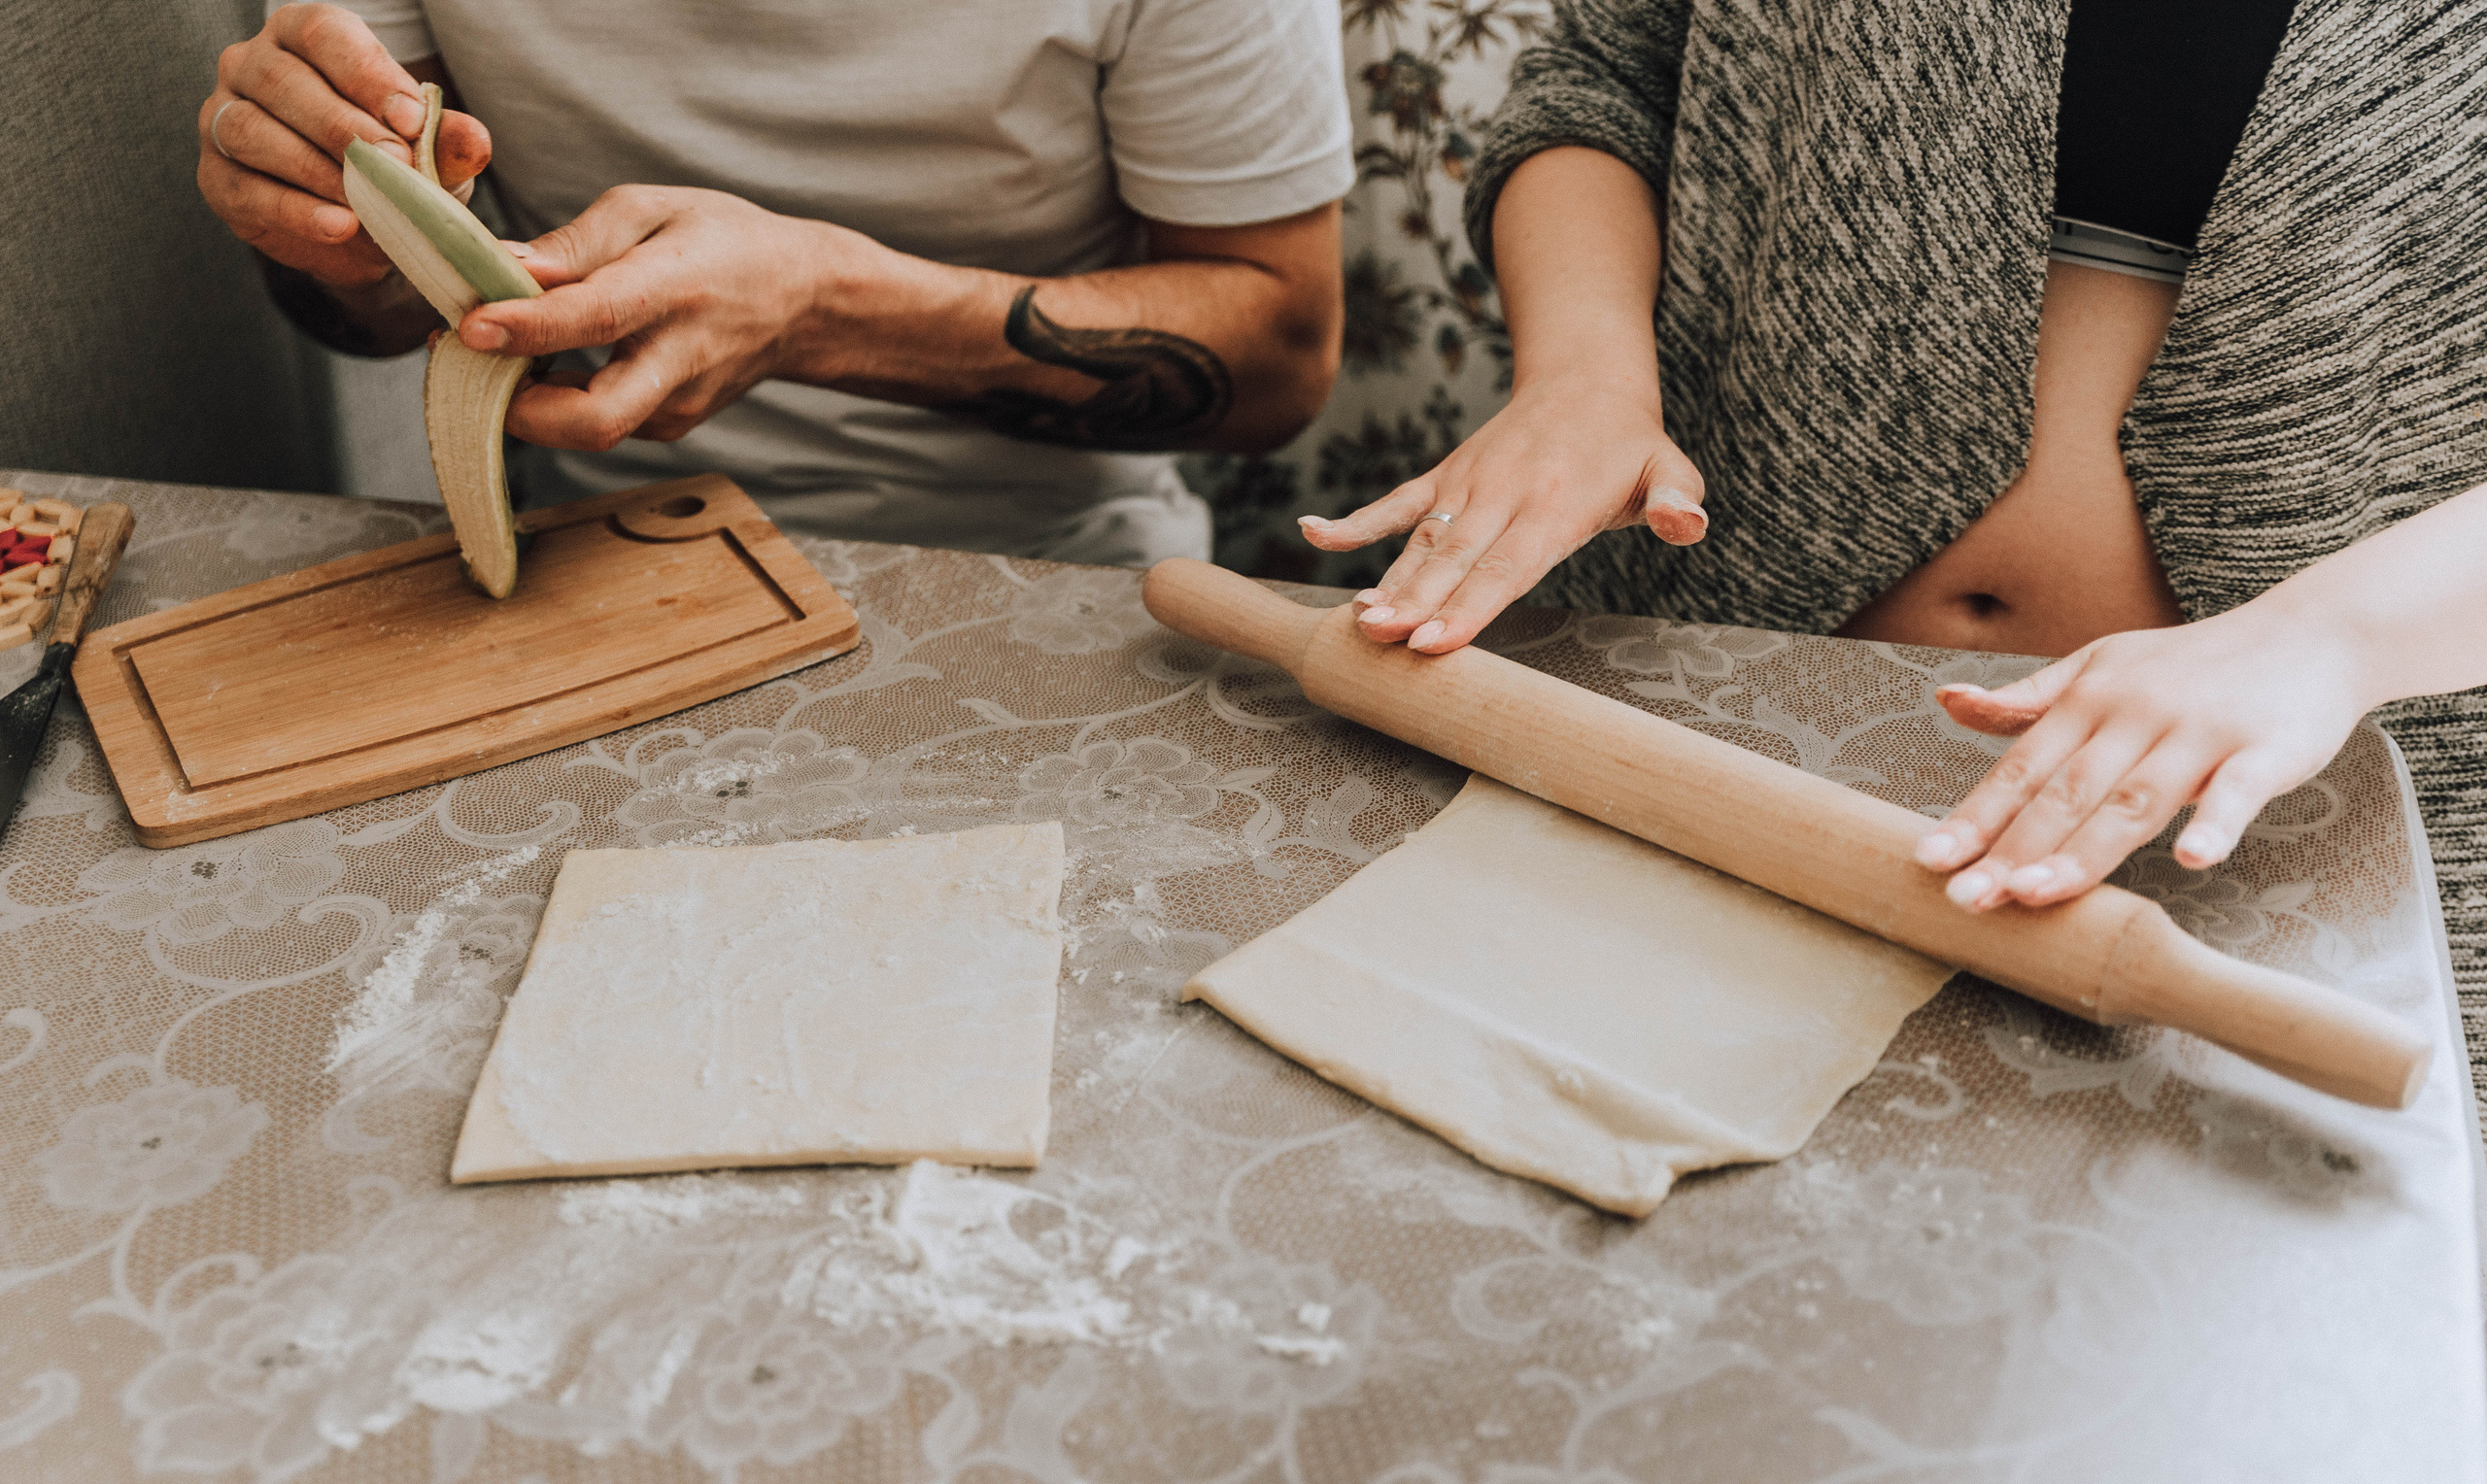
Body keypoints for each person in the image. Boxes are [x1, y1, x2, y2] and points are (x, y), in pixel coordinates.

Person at [1300, 0, 2487, 1061]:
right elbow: (1610, 78)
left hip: (2254, 823)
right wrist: (1583, 374)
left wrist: (2337, 635)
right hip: (1696, 700)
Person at [197, 1, 1353, 568]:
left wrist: (827, 307)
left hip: (1048, 563)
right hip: (584, 553)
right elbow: (377, 316)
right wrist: (339, 240)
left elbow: (1281, 362)